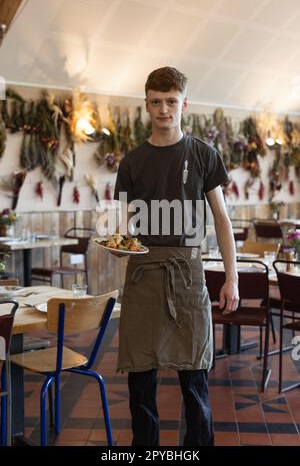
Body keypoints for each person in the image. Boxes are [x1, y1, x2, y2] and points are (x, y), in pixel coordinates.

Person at [113, 66, 239, 446]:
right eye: (156, 102)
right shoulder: (131, 163)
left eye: (171, 101)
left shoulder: (204, 154)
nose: (164, 109)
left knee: (195, 380)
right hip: (143, 276)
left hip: (188, 275)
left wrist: (231, 277)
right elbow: (124, 229)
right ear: (146, 105)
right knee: (140, 383)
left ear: (185, 103)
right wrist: (119, 245)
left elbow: (222, 219)